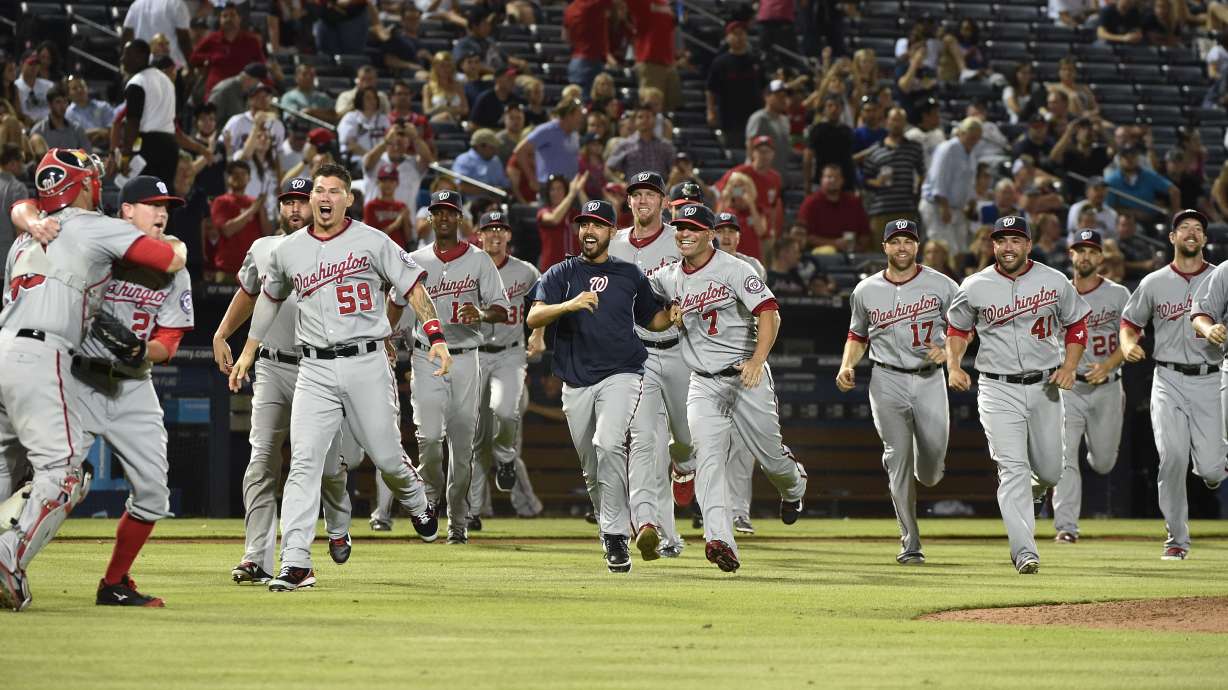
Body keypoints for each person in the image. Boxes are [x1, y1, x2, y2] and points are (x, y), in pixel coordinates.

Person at [227, 164, 449, 591]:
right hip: (314, 367)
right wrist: (250, 348)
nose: (324, 197)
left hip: (366, 361)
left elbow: (414, 287)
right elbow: (270, 298)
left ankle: (418, 500)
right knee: (304, 462)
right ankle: (295, 562)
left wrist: (435, 336)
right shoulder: (288, 249)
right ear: (311, 200)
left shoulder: (371, 240)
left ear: (348, 199)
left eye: (334, 191)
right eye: (318, 191)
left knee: (386, 458)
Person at [0, 149, 187, 612]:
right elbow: (167, 258)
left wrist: (144, 350)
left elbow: (170, 338)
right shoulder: (102, 231)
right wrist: (179, 251)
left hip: (124, 381)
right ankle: (9, 560)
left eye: (167, 209)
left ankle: (115, 581)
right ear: (124, 209)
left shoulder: (37, 233)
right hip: (66, 370)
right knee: (62, 473)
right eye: (153, 206)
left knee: (151, 490)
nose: (161, 214)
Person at [212, 177, 361, 582]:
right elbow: (247, 293)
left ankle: (338, 521)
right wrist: (222, 333)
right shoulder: (264, 248)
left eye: (301, 200)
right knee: (261, 460)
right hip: (273, 367)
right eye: (288, 202)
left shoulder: (342, 249)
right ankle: (256, 557)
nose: (295, 209)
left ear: (317, 203)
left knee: (327, 467)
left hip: (322, 369)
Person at [649, 203, 809, 572]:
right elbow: (639, 293)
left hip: (744, 377)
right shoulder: (669, 276)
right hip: (702, 384)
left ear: (710, 234)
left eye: (692, 228)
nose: (684, 234)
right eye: (679, 228)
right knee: (707, 461)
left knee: (771, 459)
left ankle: (794, 486)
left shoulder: (736, 269)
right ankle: (719, 539)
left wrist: (756, 360)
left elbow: (769, 313)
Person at [526, 198, 675, 572]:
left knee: (608, 444)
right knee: (592, 467)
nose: (588, 231)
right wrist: (569, 305)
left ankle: (616, 538)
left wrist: (673, 316)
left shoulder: (629, 274)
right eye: (583, 225)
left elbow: (652, 319)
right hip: (575, 381)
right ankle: (612, 530)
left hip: (622, 373)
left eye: (596, 225)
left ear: (611, 231)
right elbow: (533, 315)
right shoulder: (561, 273)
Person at [946, 215, 1090, 574]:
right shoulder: (975, 285)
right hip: (996, 388)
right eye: (1001, 240)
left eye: (1015, 240)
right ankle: (1025, 551)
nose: (1007, 247)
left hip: (1045, 386)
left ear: (1029, 244)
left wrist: (1070, 366)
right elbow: (957, 328)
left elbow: (1077, 324)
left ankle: (1038, 491)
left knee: (1051, 472)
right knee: (1011, 469)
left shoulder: (1054, 281)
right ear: (992, 245)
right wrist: (954, 365)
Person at [380, 190, 510, 545]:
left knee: (463, 446)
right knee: (431, 440)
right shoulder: (415, 258)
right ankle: (430, 502)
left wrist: (481, 313)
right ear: (431, 218)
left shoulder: (480, 260)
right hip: (426, 354)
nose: (443, 219)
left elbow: (501, 308)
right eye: (437, 213)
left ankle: (458, 521)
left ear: (460, 219)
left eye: (450, 213)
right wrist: (388, 334)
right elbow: (394, 299)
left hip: (467, 356)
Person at [838, 219, 957, 564]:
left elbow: (965, 327)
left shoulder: (942, 285)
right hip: (885, 378)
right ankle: (911, 542)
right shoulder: (866, 290)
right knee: (897, 458)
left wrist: (950, 351)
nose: (902, 247)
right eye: (895, 241)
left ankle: (928, 468)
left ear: (917, 246)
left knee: (931, 469)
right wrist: (847, 365)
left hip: (929, 378)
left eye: (908, 240)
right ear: (885, 247)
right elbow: (857, 336)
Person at [1124, 209, 1228, 561]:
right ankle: (1176, 539)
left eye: (1198, 228)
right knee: (1171, 457)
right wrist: (1127, 344)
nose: (1192, 233)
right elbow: (1130, 321)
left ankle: (1213, 470)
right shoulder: (1154, 282)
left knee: (1213, 468)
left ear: (1205, 238)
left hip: (1211, 377)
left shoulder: (1221, 278)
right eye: (1184, 227)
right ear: (1172, 238)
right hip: (1167, 377)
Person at [608, 171, 695, 560]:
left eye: (650, 195)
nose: (643, 201)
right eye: (636, 195)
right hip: (638, 354)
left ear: (663, 202)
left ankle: (686, 466)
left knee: (683, 440)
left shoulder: (679, 240)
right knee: (644, 442)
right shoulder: (615, 246)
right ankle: (650, 527)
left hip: (680, 350)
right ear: (628, 202)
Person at [1050, 229, 1132, 545]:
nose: (1085, 256)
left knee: (1103, 462)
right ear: (1071, 255)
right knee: (1065, 456)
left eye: (1091, 251)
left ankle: (1096, 451)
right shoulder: (1057, 294)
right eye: (1079, 250)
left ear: (1101, 257)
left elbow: (1130, 338)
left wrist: (1109, 365)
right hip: (1069, 388)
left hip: (1108, 386)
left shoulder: (1118, 294)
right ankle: (1066, 527)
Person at [465, 211, 546, 523]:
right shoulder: (467, 267)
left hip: (511, 354)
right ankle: (473, 511)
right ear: (479, 234)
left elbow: (543, 303)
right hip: (475, 354)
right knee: (475, 441)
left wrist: (538, 334)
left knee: (505, 411)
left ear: (509, 236)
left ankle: (507, 461)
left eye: (501, 229)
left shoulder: (524, 271)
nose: (495, 235)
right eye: (489, 229)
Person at [119, 40, 180, 188]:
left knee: (143, 197)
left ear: (140, 57)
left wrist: (126, 155)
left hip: (148, 147)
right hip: (171, 146)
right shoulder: (166, 80)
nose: (122, 59)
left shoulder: (137, 82)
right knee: (163, 196)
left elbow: (133, 122)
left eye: (127, 54)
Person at [861, 107, 925, 243]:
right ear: (886, 122)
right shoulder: (875, 151)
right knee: (880, 255)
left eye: (901, 120)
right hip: (881, 211)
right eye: (894, 120)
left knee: (906, 253)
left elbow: (923, 174)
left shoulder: (915, 148)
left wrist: (918, 195)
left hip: (907, 210)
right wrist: (876, 182)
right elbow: (865, 180)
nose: (897, 124)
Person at [920, 117, 981, 255]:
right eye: (971, 137)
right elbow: (939, 179)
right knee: (942, 249)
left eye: (976, 139)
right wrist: (944, 207)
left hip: (957, 209)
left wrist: (971, 203)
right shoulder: (948, 148)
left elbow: (969, 181)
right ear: (962, 133)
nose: (974, 141)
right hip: (938, 206)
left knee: (960, 251)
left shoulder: (971, 153)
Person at [705, 21, 764, 151]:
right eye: (735, 34)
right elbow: (711, 89)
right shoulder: (720, 63)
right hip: (730, 117)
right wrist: (710, 111)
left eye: (741, 34)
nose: (738, 37)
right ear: (727, 37)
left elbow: (764, 87)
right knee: (735, 152)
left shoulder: (755, 61)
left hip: (754, 116)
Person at [189, 3, 265, 100]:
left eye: (232, 15)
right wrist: (211, 57)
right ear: (220, 20)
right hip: (216, 90)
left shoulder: (251, 41)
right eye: (225, 16)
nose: (229, 19)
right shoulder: (212, 39)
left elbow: (261, 64)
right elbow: (193, 58)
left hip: (242, 92)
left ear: (239, 19)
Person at [513, 99, 584, 201]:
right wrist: (532, 179)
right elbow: (520, 151)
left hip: (571, 189)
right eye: (579, 115)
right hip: (550, 190)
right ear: (569, 115)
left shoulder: (575, 134)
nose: (581, 119)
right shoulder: (547, 130)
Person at [798, 164, 870, 252]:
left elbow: (865, 233)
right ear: (821, 180)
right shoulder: (810, 203)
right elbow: (805, 235)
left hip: (851, 254)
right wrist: (834, 243)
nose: (832, 180)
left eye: (836, 177)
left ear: (842, 181)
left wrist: (859, 247)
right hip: (819, 256)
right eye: (828, 177)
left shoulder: (854, 202)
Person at [626, 0, 680, 112]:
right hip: (650, 61)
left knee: (670, 111)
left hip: (668, 62)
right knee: (649, 108)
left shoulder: (666, 3)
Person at [1105, 145, 1180, 221]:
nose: (1130, 160)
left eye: (1133, 156)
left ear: (1137, 158)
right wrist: (1132, 213)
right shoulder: (1112, 180)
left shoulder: (1149, 176)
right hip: (1123, 221)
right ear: (1120, 159)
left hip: (1151, 220)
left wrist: (1174, 213)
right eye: (1126, 157)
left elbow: (1174, 191)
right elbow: (1108, 207)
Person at [606, 105, 676, 181]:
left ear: (654, 120)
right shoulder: (625, 144)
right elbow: (608, 168)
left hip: (658, 190)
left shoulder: (665, 145)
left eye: (648, 117)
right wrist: (620, 184)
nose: (644, 120)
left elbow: (674, 169)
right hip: (634, 190)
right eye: (640, 117)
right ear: (635, 121)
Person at [803, 95, 855, 193]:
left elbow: (850, 159)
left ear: (842, 109)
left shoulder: (848, 131)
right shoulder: (816, 130)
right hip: (822, 182)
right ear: (824, 109)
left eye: (837, 106)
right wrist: (807, 183)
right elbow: (807, 158)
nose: (833, 109)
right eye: (830, 106)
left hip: (845, 183)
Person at [537, 173, 588, 270]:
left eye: (560, 188)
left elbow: (592, 215)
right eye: (552, 189)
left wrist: (579, 191)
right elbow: (554, 219)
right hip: (551, 270)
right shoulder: (544, 212)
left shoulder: (573, 214)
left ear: (565, 191)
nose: (556, 192)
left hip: (574, 269)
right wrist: (571, 194)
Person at [122, 0, 192, 67]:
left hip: (144, 65)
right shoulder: (176, 3)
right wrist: (191, 64)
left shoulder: (137, 4)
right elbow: (183, 39)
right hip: (171, 65)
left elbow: (126, 35)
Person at [564, 0, 613, 93]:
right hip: (590, 62)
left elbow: (566, 37)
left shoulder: (570, 8)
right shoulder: (593, 5)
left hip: (575, 62)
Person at [28, 87, 90, 154]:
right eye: (58, 102)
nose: (62, 106)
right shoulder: (38, 131)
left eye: (65, 101)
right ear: (50, 104)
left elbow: (87, 155)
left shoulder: (76, 129)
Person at [452, 128, 513, 196]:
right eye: (492, 147)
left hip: (496, 203)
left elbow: (504, 183)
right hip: (471, 204)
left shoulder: (496, 160)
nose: (496, 151)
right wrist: (491, 191)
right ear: (480, 146)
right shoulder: (464, 160)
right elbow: (461, 187)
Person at [363, 164, 412, 247]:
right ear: (378, 183)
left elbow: (408, 238)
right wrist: (395, 224)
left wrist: (405, 220)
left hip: (399, 252)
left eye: (391, 181)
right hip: (379, 252)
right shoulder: (371, 206)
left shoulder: (402, 206)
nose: (388, 184)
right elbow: (371, 237)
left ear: (397, 183)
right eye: (384, 181)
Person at [65, 76, 116, 148]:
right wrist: (98, 130)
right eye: (75, 88)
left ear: (87, 89)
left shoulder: (103, 106)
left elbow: (112, 130)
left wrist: (89, 136)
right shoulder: (68, 113)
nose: (79, 90)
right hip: (81, 152)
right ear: (68, 94)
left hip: (108, 147)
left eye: (82, 86)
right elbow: (73, 137)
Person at [12, 54, 53, 124]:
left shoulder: (49, 85)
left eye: (37, 64)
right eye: (31, 64)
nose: (34, 67)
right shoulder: (14, 87)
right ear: (22, 64)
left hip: (50, 126)